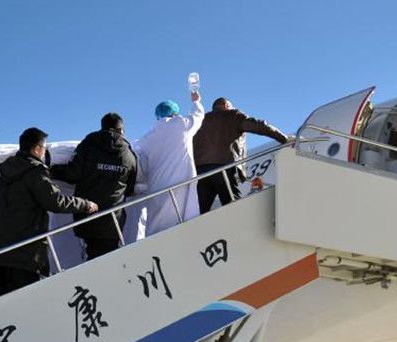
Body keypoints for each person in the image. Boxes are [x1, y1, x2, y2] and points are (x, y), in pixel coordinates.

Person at [0, 127, 99, 295]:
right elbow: (55, 201)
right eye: (44, 148)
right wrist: (85, 204)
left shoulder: (1, 171)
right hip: (24, 254)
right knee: (26, 304)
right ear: (37, 149)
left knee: (3, 305)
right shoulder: (35, 171)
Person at [52, 112, 138, 260]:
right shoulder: (129, 154)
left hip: (89, 215)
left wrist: (51, 170)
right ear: (121, 130)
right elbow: (130, 189)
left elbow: (73, 174)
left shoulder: (90, 144)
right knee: (109, 260)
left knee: (93, 258)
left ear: (102, 127)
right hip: (113, 219)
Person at [193, 97, 289, 213]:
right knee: (234, 209)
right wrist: (284, 139)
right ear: (226, 105)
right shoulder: (233, 115)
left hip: (201, 173)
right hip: (224, 168)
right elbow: (261, 126)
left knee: (198, 213)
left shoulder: (200, 121)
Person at [135, 91, 204, 236]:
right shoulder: (182, 124)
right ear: (175, 113)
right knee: (184, 220)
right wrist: (196, 101)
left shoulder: (147, 138)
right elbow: (197, 115)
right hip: (181, 183)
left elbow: (141, 165)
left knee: (157, 225)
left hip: (157, 187)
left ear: (157, 116)